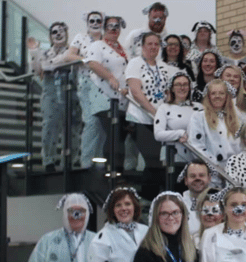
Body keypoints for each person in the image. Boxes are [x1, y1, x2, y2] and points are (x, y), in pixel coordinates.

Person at [28, 22, 82, 171]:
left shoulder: (73, 52)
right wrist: (34, 53)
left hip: (71, 93)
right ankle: (49, 160)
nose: (58, 34)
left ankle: (70, 159)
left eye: (61, 31)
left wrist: (51, 64)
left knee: (72, 128)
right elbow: (39, 71)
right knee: (50, 126)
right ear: (50, 37)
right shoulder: (44, 53)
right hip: (51, 94)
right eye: (54, 32)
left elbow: (74, 66)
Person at [125, 32, 174, 170]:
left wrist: (165, 113)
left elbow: (168, 92)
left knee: (157, 161)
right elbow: (136, 92)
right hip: (140, 118)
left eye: (156, 44)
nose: (153, 47)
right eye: (150, 44)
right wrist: (154, 112)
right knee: (151, 159)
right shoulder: (135, 63)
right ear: (142, 46)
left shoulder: (163, 65)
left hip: (158, 121)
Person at [86, 16, 130, 168]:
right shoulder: (97, 45)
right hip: (105, 97)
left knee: (120, 135)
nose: (113, 29)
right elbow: (92, 63)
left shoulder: (123, 48)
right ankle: (112, 172)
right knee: (114, 133)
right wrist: (110, 77)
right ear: (104, 28)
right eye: (110, 26)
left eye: (116, 26)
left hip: (122, 100)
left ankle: (116, 170)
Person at [64, 11, 104, 169]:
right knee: (91, 120)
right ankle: (86, 161)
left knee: (102, 122)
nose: (95, 23)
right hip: (87, 82)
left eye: (98, 20)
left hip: (103, 83)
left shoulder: (105, 39)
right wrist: (87, 60)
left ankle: (99, 160)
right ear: (87, 22)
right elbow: (69, 56)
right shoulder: (80, 37)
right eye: (92, 20)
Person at [188, 79, 240, 176]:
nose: (217, 96)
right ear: (208, 96)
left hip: (234, 174)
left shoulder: (236, 119)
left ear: (227, 97)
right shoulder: (199, 117)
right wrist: (215, 167)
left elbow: (241, 147)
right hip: (210, 174)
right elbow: (196, 145)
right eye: (213, 93)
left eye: (221, 93)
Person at [153, 71, 204, 165]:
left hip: (196, 157)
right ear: (172, 88)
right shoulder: (164, 107)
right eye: (178, 84)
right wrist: (180, 133)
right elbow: (158, 134)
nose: (182, 88)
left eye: (185, 84)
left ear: (190, 87)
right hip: (173, 157)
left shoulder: (199, 107)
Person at [176, 160, 212, 236]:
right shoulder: (177, 204)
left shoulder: (221, 203)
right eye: (193, 176)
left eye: (201, 175)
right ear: (186, 180)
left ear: (209, 178)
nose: (197, 179)